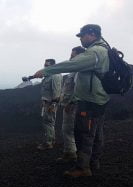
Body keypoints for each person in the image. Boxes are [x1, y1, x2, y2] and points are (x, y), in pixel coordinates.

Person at [34, 24, 110, 177]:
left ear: (92, 34)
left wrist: (47, 70)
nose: (81, 39)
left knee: (84, 133)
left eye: (82, 35)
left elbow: (73, 64)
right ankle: (93, 163)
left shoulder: (95, 52)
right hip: (98, 100)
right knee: (95, 134)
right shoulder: (103, 50)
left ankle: (83, 168)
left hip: (90, 101)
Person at [56, 46, 85, 163]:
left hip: (72, 106)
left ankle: (71, 153)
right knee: (68, 129)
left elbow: (78, 88)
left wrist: (71, 102)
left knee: (68, 130)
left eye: (73, 56)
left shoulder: (78, 71)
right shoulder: (74, 70)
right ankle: (71, 152)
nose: (70, 57)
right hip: (70, 104)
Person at [37, 59, 62, 150]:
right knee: (48, 122)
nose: (45, 67)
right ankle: (51, 140)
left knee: (49, 122)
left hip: (51, 103)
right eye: (45, 65)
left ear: (53, 66)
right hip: (46, 103)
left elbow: (57, 91)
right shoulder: (48, 76)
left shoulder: (55, 76)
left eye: (47, 65)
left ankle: (49, 142)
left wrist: (54, 104)